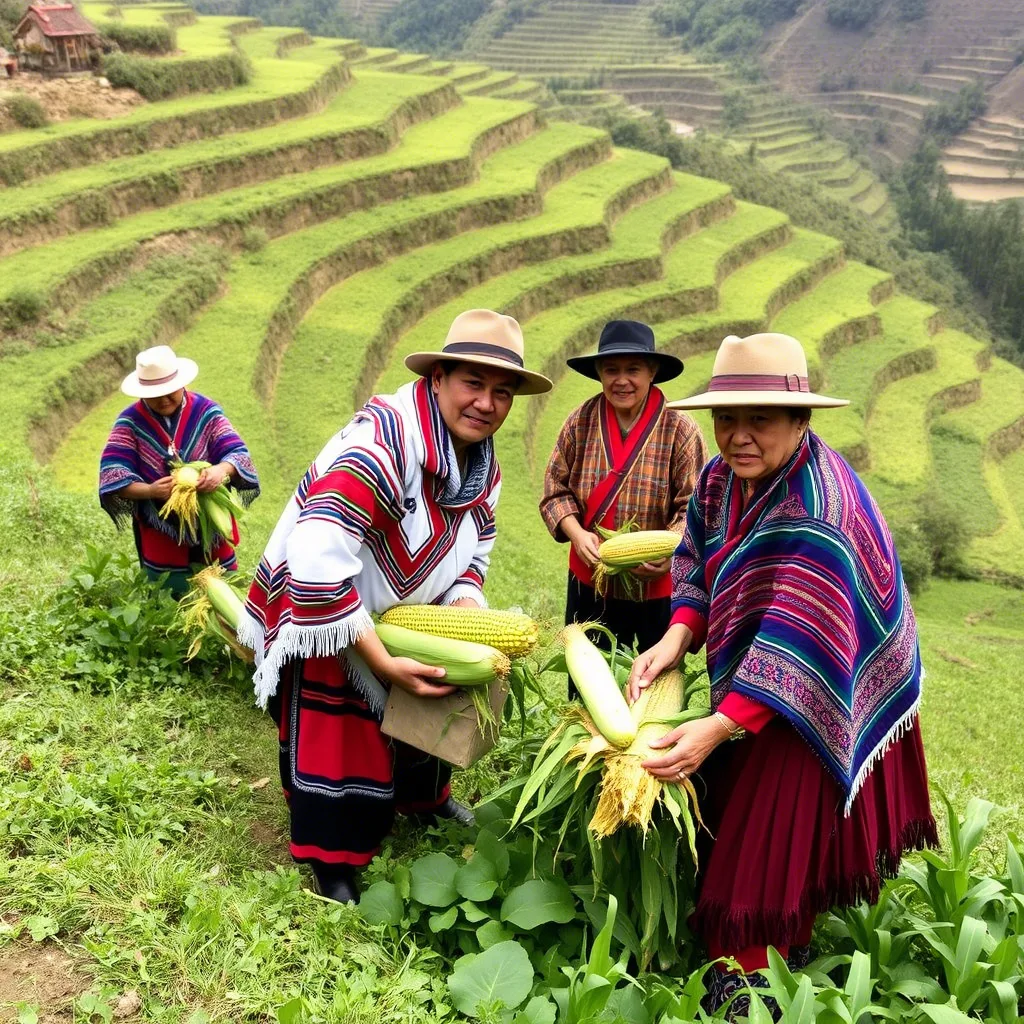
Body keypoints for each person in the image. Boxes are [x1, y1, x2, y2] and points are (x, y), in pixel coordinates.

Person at [626, 332, 936, 1018]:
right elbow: (694, 560)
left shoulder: (820, 512)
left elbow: (803, 643)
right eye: (727, 418)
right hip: (766, 678)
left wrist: (716, 725)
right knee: (749, 807)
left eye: (759, 418)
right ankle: (784, 929)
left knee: (764, 830)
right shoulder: (720, 479)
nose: (738, 436)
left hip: (830, 673)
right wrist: (678, 636)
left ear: (801, 422)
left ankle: (748, 977)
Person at [238, 309, 552, 904]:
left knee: (434, 697)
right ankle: (332, 857)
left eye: (502, 392)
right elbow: (318, 550)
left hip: (404, 610)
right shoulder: (383, 443)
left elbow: (473, 555)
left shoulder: (483, 469)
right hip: (328, 604)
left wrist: (465, 617)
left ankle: (422, 800)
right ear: (438, 380)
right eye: (472, 384)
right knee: (342, 724)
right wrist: (380, 658)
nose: (486, 403)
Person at [540, 320, 707, 674]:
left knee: (654, 683)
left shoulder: (681, 429)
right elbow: (555, 490)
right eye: (611, 369)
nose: (621, 380)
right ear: (599, 372)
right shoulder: (580, 421)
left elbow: (693, 508)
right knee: (588, 682)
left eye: (633, 369)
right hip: (591, 581)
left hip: (656, 586)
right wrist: (576, 533)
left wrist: (673, 551)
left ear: (653, 371)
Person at [99, 345, 260, 595]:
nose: (163, 400)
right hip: (161, 530)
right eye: (154, 394)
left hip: (212, 526)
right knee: (168, 598)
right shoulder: (129, 423)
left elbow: (238, 454)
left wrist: (221, 471)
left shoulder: (206, 412)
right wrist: (150, 490)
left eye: (168, 392)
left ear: (180, 383)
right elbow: (112, 474)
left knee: (226, 593)